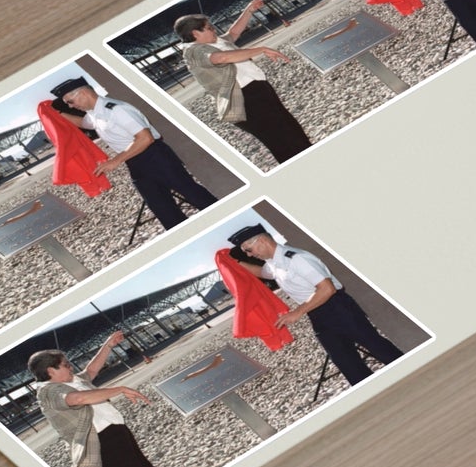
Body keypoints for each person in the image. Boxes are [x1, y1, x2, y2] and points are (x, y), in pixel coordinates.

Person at [224, 224, 402, 386]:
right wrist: (233, 264)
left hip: (337, 307)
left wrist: (297, 313)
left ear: (262, 240)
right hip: (317, 314)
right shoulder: (274, 263)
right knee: (345, 362)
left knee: (377, 346)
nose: (249, 254)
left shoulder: (297, 258)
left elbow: (327, 289)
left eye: (249, 249)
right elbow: (262, 273)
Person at [28, 333, 171, 467]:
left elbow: (91, 371)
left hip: (115, 437)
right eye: (65, 365)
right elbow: (77, 399)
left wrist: (108, 345)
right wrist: (120, 389)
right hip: (101, 447)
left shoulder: (72, 381)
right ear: (50, 371)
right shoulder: (48, 392)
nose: (70, 367)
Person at [49, 76, 216, 231]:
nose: (71, 106)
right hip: (135, 162)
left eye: (70, 101)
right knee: (161, 207)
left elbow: (145, 138)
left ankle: (219, 216)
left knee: (191, 192)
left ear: (83, 92)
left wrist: (115, 161)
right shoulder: (94, 113)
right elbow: (84, 124)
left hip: (155, 156)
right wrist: (55, 115)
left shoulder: (116, 110)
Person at [173, 0, 313, 163]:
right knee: (282, 141)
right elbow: (222, 58)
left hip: (258, 91)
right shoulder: (193, 51)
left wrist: (249, 10)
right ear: (195, 34)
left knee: (291, 129)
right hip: (245, 101)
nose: (214, 31)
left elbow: (233, 33)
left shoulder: (214, 41)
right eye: (209, 28)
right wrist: (261, 49)